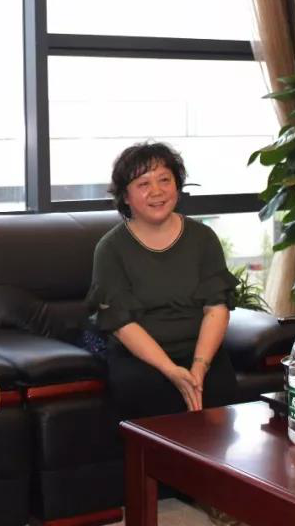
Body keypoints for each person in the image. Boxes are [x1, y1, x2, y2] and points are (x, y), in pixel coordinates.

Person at [85, 141, 238, 420]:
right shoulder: (110, 249)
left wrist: (199, 368)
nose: (156, 191)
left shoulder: (203, 238)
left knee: (219, 400)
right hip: (141, 359)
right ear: (126, 196)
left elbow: (217, 308)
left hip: (200, 354)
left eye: (165, 180)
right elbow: (121, 324)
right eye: (143, 184)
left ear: (177, 186)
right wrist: (171, 371)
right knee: (153, 396)